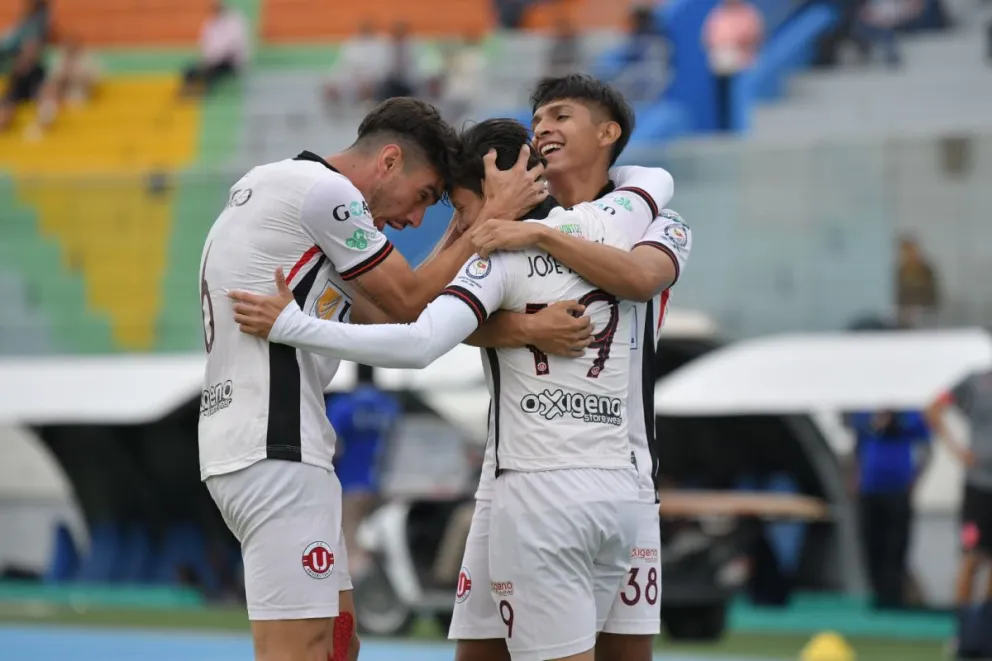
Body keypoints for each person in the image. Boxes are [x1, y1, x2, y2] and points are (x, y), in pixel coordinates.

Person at [228, 131, 679, 661]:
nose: (461, 225)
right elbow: (654, 190)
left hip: (544, 492)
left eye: (462, 209)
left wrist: (292, 325)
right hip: (595, 485)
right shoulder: (641, 226)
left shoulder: (500, 258)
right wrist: (523, 325)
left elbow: (419, 332)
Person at [197, 96, 545, 661]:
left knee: (339, 642)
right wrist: (489, 218)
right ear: (387, 161)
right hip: (275, 442)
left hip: (258, 441)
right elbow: (411, 297)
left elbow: (398, 319)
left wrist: (465, 228)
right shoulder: (325, 193)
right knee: (300, 650)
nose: (412, 220)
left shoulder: (284, 197)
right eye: (425, 197)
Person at [451, 74, 690, 661]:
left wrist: (536, 232)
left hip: (627, 477)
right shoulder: (514, 226)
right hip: (513, 475)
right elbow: (447, 320)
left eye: (560, 116)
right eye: (536, 122)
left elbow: (637, 279)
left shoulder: (662, 224)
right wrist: (527, 327)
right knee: (479, 654)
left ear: (608, 132)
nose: (543, 130)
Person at [848, 410, 932, 609]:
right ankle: (876, 595)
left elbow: (926, 447)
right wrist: (855, 477)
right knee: (870, 544)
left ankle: (894, 598)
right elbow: (856, 444)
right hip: (870, 489)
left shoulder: (910, 414)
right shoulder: (863, 411)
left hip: (898, 490)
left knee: (896, 547)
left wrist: (916, 478)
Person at [327, 364, 399, 580]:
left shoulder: (344, 405)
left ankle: (357, 594)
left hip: (351, 483)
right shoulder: (388, 406)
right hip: (383, 485)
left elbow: (332, 444)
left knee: (351, 541)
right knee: (379, 543)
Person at [927, 370, 992, 611]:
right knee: (971, 557)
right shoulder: (976, 383)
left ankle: (984, 628)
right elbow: (933, 408)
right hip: (979, 486)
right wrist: (955, 449)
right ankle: (963, 630)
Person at [179, 1, 249, 98]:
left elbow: (233, 45)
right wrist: (208, 59)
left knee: (211, 69)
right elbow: (206, 45)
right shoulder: (210, 24)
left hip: (231, 61)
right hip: (213, 60)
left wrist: (215, 57)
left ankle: (205, 92)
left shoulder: (234, 21)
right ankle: (189, 91)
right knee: (189, 70)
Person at [0, 38, 45, 132]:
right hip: (14, 98)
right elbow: (10, 87)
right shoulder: (17, 68)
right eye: (27, 50)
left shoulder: (39, 70)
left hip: (30, 99)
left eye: (32, 50)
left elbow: (37, 89)